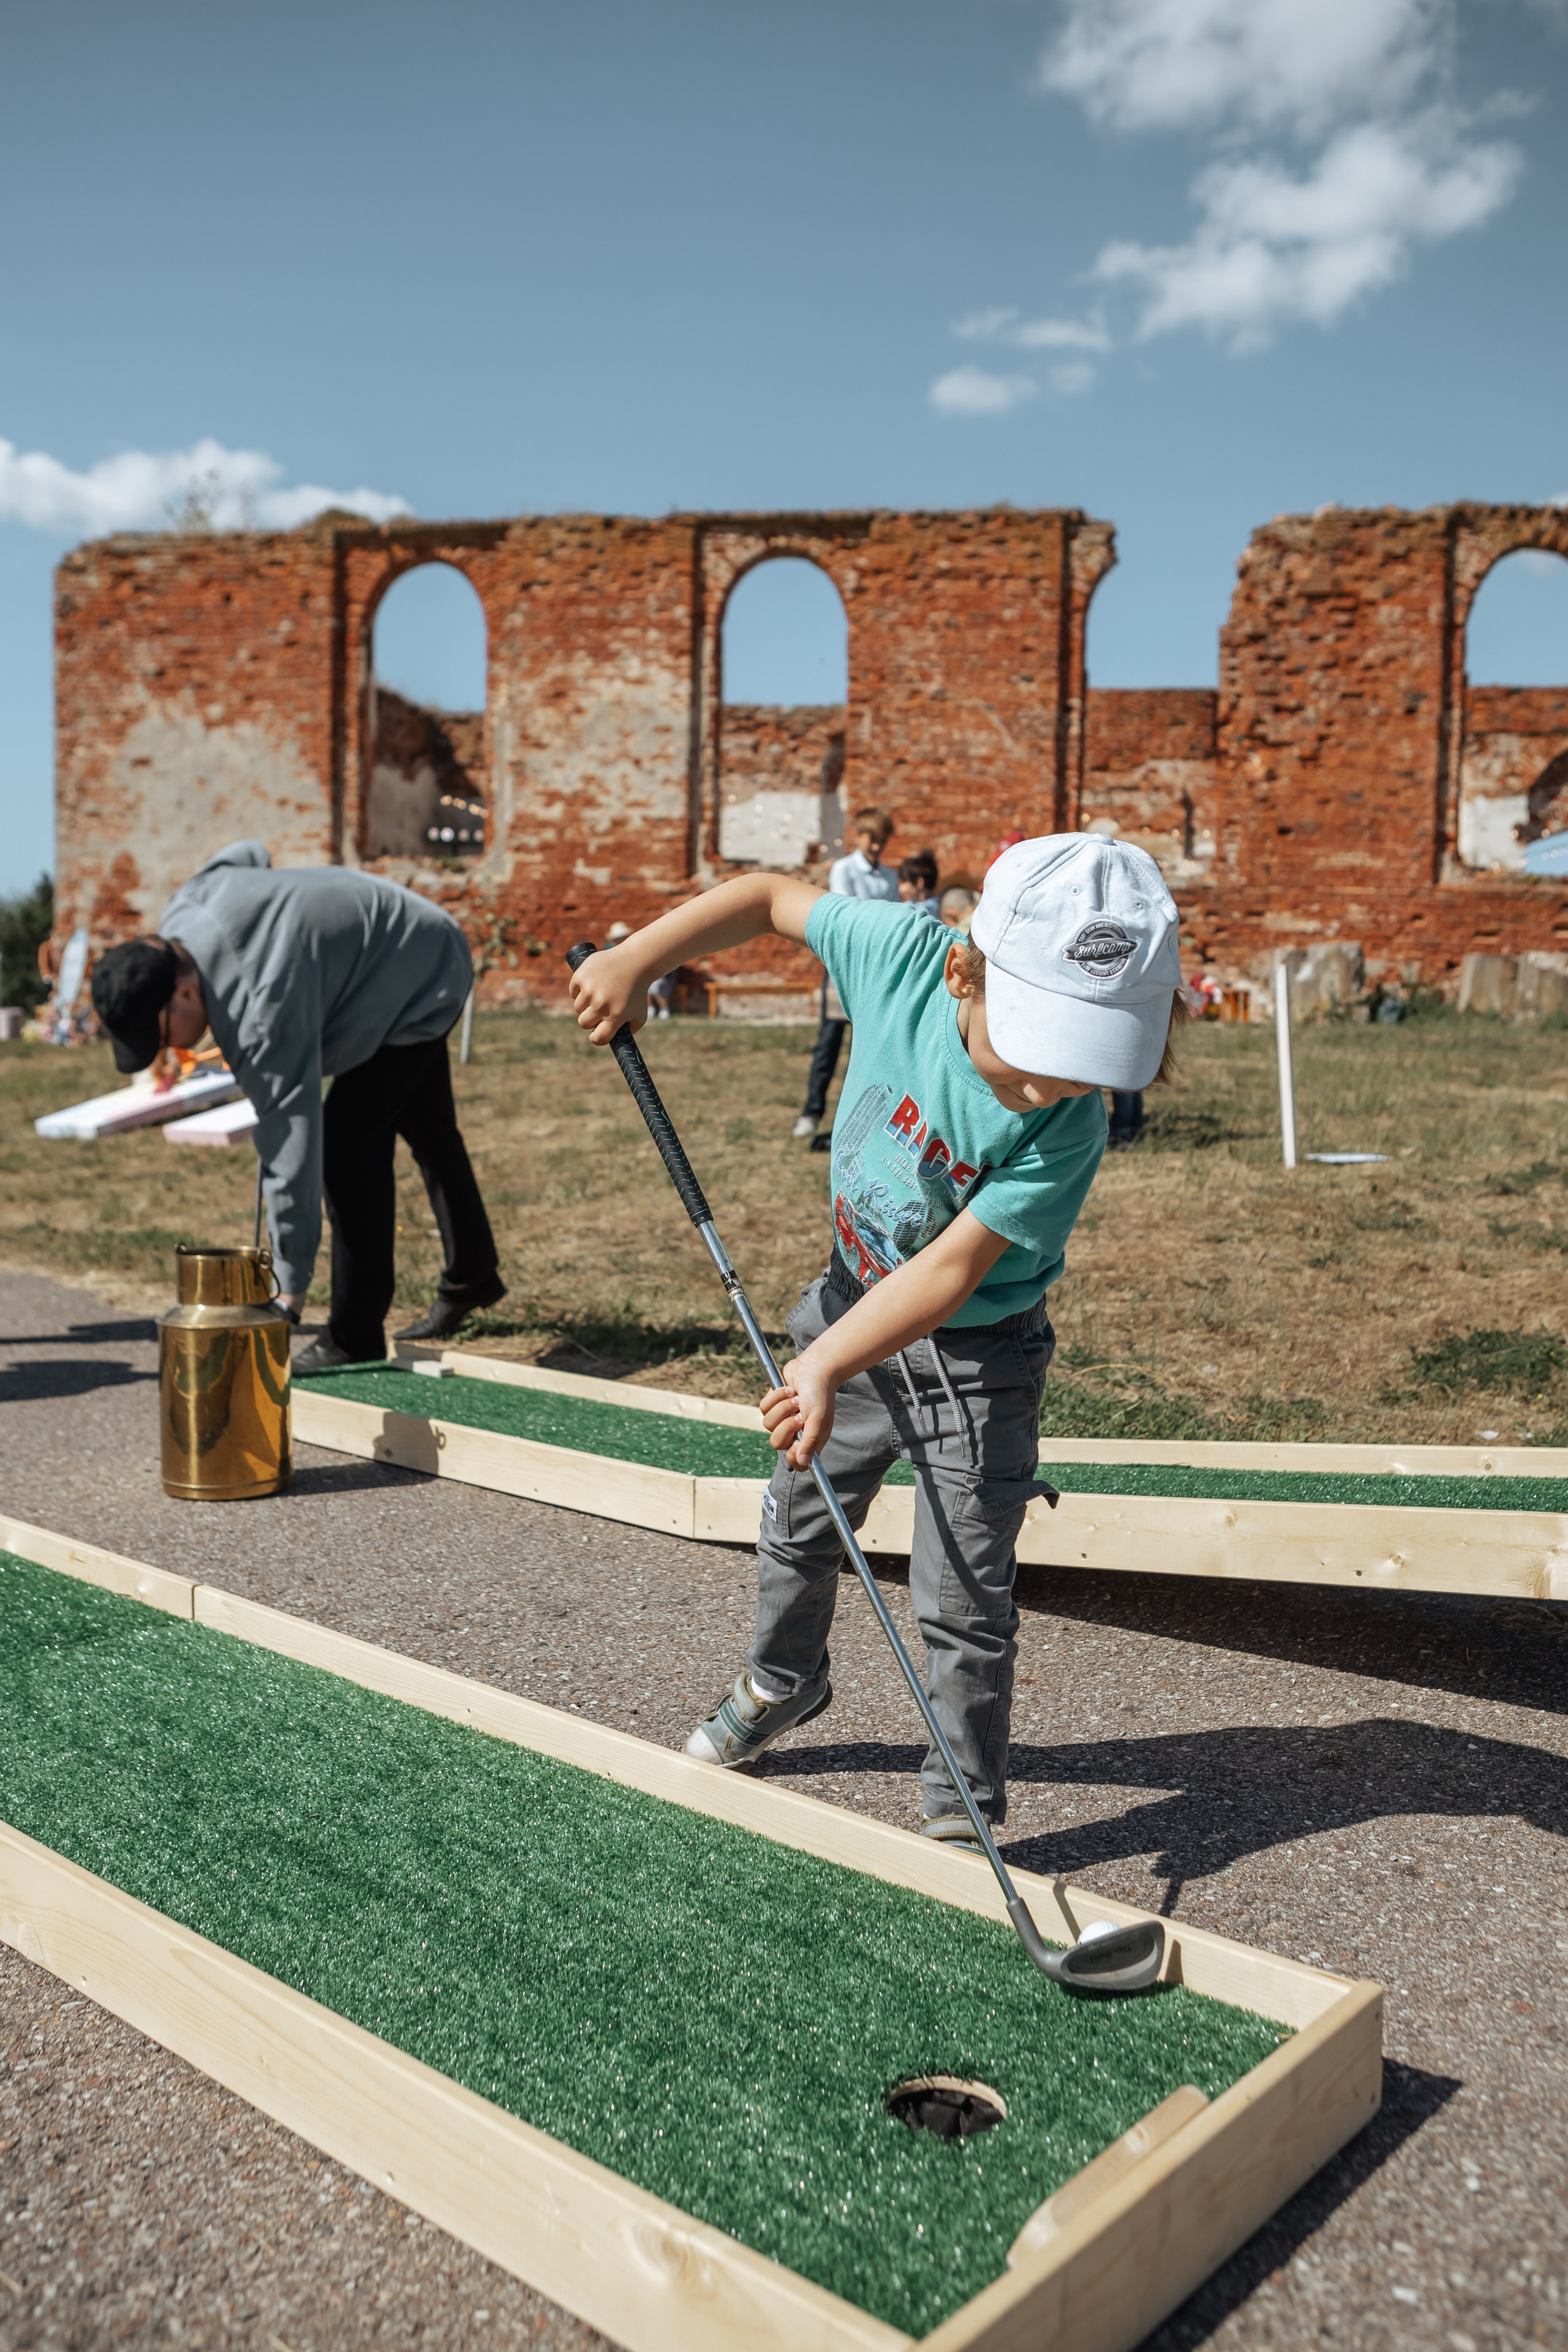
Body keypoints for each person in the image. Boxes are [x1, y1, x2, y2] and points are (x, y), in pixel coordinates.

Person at [569, 834, 1184, 1848]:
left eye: (1084, 1072)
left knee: (965, 1601)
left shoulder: (1067, 1128)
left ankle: (961, 1814)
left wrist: (820, 1360)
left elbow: (949, 1274)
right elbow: (769, 897)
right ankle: (782, 1679)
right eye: (1032, 1061)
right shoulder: (899, 953)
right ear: (964, 971)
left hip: (980, 1366)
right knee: (799, 1526)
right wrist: (639, 959)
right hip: (847, 1304)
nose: (1046, 1096)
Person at [89, 842, 504, 1370]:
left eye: (163, 1035)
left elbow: (292, 1147)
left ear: (186, 993)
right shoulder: (186, 908)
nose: (169, 1051)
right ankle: (474, 1275)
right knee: (428, 1129)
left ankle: (354, 1338)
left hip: (421, 972)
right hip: (392, 943)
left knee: (347, 1148)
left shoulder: (261, 1013)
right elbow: (246, 854)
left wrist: (287, 1291)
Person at [792, 806, 899, 1140]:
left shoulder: (890, 877)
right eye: (872, 839)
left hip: (878, 970)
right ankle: (811, 1112)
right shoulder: (844, 869)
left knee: (870, 1047)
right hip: (844, 967)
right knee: (829, 1043)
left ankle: (865, 1121)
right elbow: (846, 915)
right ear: (859, 835)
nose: (877, 847)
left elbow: (894, 921)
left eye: (882, 841)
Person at [896, 850, 942, 921]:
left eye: (904, 882)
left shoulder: (911, 911)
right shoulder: (943, 905)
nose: (901, 889)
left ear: (919, 882)